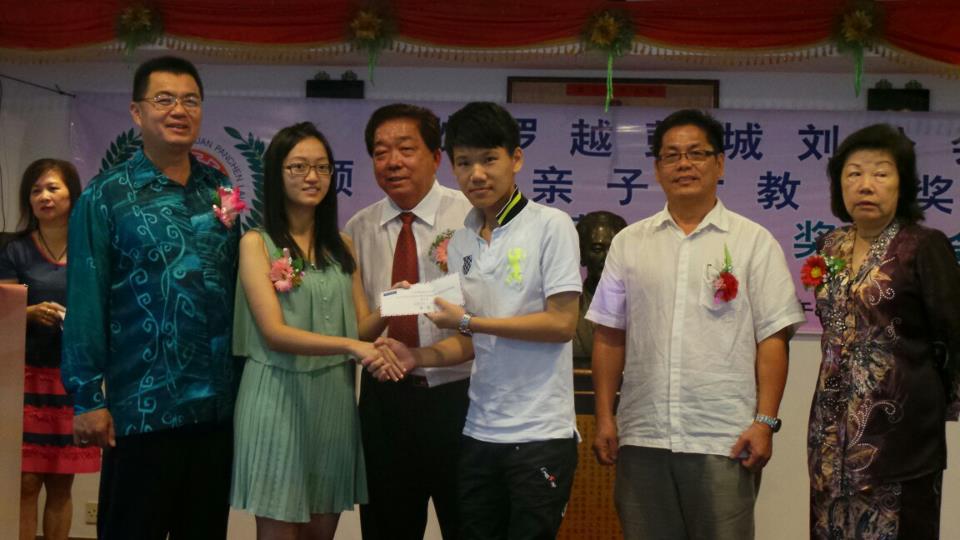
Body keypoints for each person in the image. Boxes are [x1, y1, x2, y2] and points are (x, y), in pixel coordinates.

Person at [364, 101, 582, 540]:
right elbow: (468, 340)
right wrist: (416, 356)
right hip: (479, 428)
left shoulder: (552, 225)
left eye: (488, 160)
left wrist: (469, 321)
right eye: (465, 163)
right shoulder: (463, 239)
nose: (476, 174)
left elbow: (561, 324)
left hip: (539, 431)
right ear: (452, 166)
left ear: (516, 159)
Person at [587, 109, 806, 540]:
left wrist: (765, 422)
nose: (683, 164)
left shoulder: (753, 242)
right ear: (657, 168)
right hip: (643, 435)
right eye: (671, 155)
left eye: (696, 154)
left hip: (724, 438)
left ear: (719, 163)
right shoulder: (629, 243)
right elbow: (609, 334)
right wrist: (605, 417)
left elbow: (773, 338)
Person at [61, 56, 240, 539]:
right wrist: (87, 399)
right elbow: (85, 301)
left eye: (190, 101)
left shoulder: (218, 191)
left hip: (215, 411)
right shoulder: (105, 197)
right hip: (142, 409)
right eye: (164, 99)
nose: (179, 110)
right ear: (137, 112)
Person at [230, 122, 384, 539]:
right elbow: (273, 333)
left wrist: (394, 306)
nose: (312, 177)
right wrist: (352, 346)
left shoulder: (342, 244)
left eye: (322, 167)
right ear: (276, 174)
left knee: (321, 529)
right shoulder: (256, 243)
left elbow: (362, 328)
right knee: (279, 528)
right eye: (298, 166)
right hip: (276, 393)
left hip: (333, 396)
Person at [807, 124, 960, 539]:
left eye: (880, 173)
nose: (866, 185)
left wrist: (934, 403)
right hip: (830, 431)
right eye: (854, 173)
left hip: (900, 434)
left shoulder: (922, 246)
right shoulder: (829, 246)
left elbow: (952, 334)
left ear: (902, 184)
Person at [343, 103, 473, 540]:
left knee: (469, 524)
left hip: (460, 397)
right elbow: (357, 324)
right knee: (387, 527)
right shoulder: (358, 229)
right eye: (381, 152)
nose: (392, 162)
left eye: (405, 148)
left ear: (436, 157)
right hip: (385, 404)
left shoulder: (471, 218)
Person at [0, 159, 100, 540]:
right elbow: (3, 307)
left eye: (53, 188)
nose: (44, 196)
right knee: (25, 482)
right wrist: (28, 312)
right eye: (36, 190)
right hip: (24, 379)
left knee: (61, 482)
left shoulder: (91, 249)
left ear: (73, 195)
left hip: (72, 378)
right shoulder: (14, 250)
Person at [572, 211, 627, 367]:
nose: (608, 257)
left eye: (614, 249)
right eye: (597, 249)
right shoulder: (567, 308)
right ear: (581, 255)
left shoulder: (639, 309)